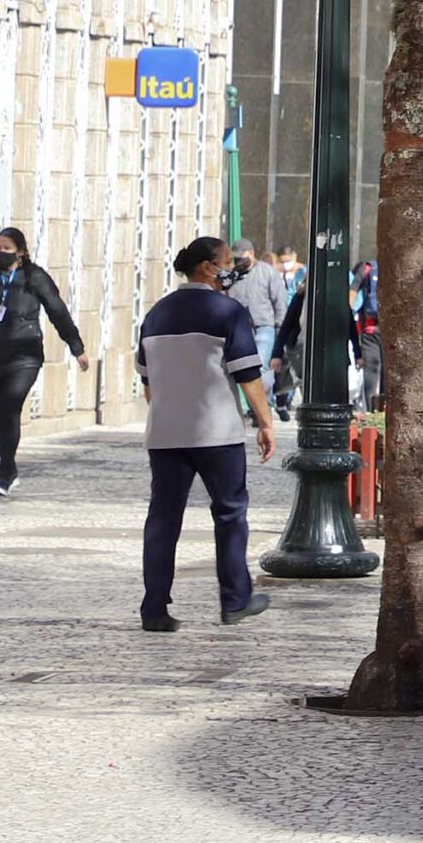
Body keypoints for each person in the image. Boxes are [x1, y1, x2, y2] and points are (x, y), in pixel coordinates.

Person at [136, 237, 276, 631]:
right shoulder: (228, 312)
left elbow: (148, 382)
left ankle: (154, 609)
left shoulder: (155, 314)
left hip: (165, 434)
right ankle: (235, 601)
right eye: (226, 262)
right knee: (230, 514)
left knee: (163, 520)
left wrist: (169, 411)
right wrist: (266, 424)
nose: (232, 268)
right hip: (217, 433)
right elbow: (248, 376)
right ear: (206, 267)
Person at [0, 227, 90, 497]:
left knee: (11, 403)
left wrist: (76, 347)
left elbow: (57, 311)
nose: (1, 253)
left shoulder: (34, 278)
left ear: (21, 252)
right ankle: (9, 468)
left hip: (24, 355)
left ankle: (4, 473)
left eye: (7, 249)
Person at [224, 240, 288, 384]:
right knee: (243, 369)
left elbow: (279, 302)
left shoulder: (267, 272)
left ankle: (262, 404)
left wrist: (280, 329)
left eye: (242, 257)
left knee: (260, 367)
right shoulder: (232, 276)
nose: (239, 261)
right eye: (236, 258)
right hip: (240, 329)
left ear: (252, 254)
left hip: (264, 326)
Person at [350, 259, 382, 410]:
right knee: (387, 371)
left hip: (369, 328)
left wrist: (349, 310)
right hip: (387, 329)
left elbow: (353, 289)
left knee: (371, 369)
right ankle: (383, 409)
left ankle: (371, 410)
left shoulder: (367, 268)